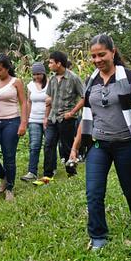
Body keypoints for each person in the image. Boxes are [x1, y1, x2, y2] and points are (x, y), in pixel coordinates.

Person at [69, 34, 131, 251]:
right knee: (94, 192)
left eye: (102, 55)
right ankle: (98, 235)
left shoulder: (130, 77)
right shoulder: (91, 80)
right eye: (93, 56)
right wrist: (75, 146)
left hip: (127, 143)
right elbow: (88, 115)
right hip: (99, 144)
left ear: (113, 52)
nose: (97, 60)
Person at [0, 54, 28, 200]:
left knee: (9, 156)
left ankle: (10, 188)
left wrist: (23, 123)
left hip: (11, 122)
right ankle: (4, 176)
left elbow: (24, 103)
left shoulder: (16, 82)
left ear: (7, 68)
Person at [40, 51, 84, 182]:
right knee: (48, 145)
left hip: (67, 118)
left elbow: (84, 97)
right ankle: (47, 175)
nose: (49, 65)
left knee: (67, 146)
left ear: (59, 63)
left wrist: (72, 112)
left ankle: (71, 173)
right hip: (53, 118)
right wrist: (45, 117)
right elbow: (49, 100)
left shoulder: (73, 78)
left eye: (51, 62)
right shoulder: (52, 79)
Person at [21, 62, 48, 181]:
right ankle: (32, 171)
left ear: (44, 73)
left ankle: (50, 169)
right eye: (34, 74)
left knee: (49, 145)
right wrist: (26, 118)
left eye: (39, 74)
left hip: (48, 119)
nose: (36, 77)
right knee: (34, 145)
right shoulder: (30, 85)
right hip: (34, 119)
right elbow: (28, 102)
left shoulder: (50, 84)